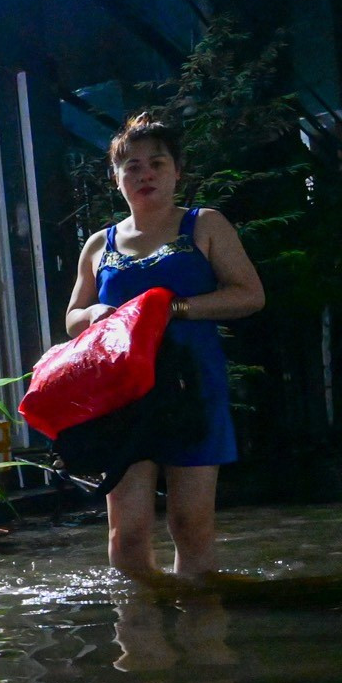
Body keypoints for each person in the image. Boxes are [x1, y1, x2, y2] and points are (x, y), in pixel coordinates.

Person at [64, 115, 265, 579]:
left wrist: (175, 309)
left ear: (177, 172)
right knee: (126, 534)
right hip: (122, 397)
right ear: (117, 180)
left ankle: (202, 639)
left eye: (156, 162)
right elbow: (73, 318)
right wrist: (93, 315)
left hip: (192, 387)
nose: (144, 174)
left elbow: (250, 295)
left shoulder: (205, 225)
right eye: (131, 166)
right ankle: (140, 643)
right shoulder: (99, 244)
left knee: (190, 526)